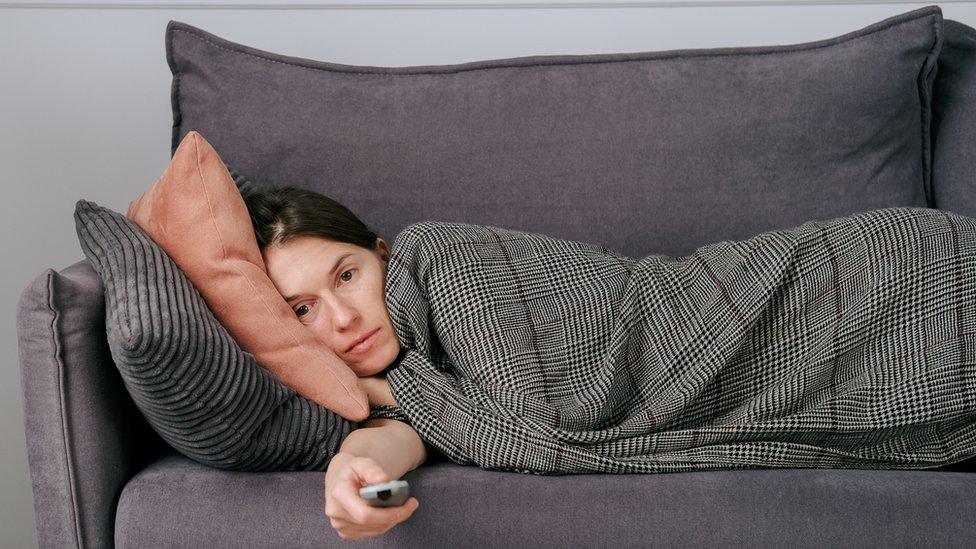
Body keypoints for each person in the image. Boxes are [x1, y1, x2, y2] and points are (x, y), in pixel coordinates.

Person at [242, 185, 422, 540]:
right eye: (304, 310)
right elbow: (396, 434)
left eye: (346, 276)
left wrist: (379, 390)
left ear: (382, 254)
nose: (344, 318)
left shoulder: (441, 265)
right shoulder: (352, 395)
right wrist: (348, 467)